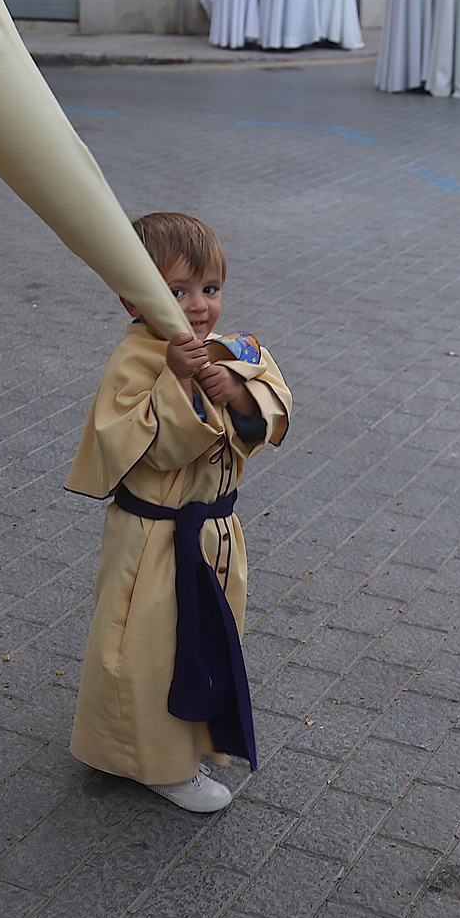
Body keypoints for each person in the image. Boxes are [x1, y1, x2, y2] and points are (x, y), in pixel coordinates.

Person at [67, 212, 291, 812]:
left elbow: (270, 402)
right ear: (132, 299)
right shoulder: (137, 358)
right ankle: (158, 764)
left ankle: (162, 748)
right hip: (152, 540)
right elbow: (144, 443)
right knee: (145, 649)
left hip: (215, 534)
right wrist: (181, 385)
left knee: (201, 644)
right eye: (176, 291)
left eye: (210, 289)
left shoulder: (229, 348)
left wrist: (239, 392)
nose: (197, 307)